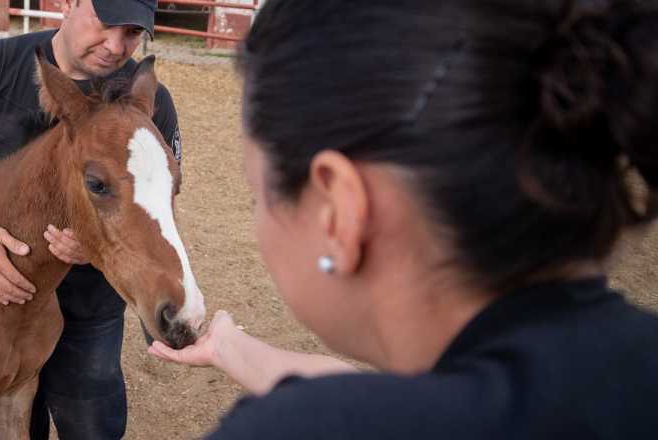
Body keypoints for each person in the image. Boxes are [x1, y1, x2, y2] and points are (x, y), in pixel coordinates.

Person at [149, 0, 658, 438]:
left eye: (258, 195)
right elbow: (388, 399)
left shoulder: (301, 430)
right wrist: (229, 347)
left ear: (341, 212)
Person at [0, 1, 182, 439]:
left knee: (91, 424)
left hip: (89, 303)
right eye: (105, 24)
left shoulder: (148, 100)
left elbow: (158, 195)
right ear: (68, 4)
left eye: (131, 34)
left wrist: (100, 241)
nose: (114, 47)